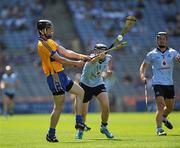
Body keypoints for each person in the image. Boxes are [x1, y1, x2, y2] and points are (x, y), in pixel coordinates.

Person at [36, 19, 91, 142]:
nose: (52, 30)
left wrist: (83, 57)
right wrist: (76, 63)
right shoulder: (43, 44)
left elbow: (66, 52)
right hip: (55, 77)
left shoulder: (50, 41)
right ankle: (51, 134)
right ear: (42, 30)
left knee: (80, 92)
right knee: (58, 107)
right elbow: (60, 59)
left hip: (61, 75)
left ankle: (78, 121)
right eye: (49, 29)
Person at [140, 32, 180, 136]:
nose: (161, 40)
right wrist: (142, 76)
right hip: (158, 83)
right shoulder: (151, 54)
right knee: (161, 107)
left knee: (170, 108)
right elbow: (143, 66)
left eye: (163, 39)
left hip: (169, 84)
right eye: (159, 39)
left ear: (167, 40)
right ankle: (159, 129)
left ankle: (164, 117)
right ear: (157, 40)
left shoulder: (173, 52)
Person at [76, 43, 114, 139]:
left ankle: (104, 127)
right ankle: (80, 131)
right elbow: (93, 61)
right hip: (85, 85)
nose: (100, 52)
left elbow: (109, 62)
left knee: (106, 106)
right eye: (98, 50)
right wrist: (99, 57)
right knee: (84, 113)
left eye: (102, 50)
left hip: (98, 83)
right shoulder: (91, 58)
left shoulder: (108, 57)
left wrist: (108, 71)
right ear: (94, 51)